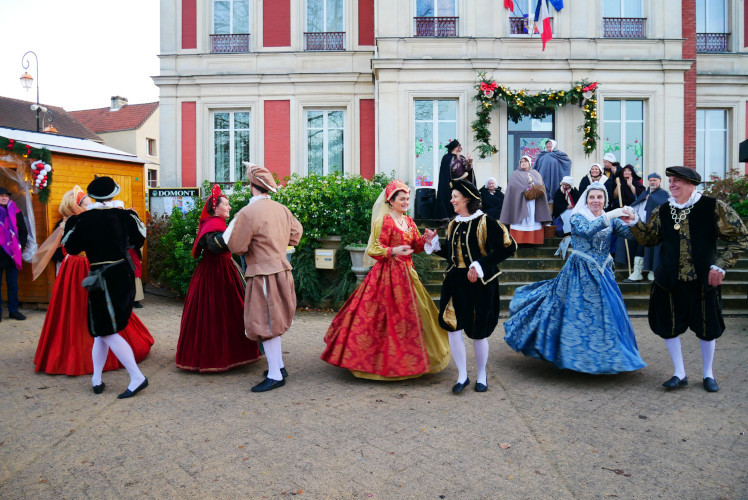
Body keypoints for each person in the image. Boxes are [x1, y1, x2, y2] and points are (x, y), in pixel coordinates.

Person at [504, 183, 647, 374]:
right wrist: (611, 214)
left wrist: (633, 219)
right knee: (576, 311)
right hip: (580, 271)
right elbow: (587, 230)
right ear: (586, 200)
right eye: (592, 197)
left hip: (604, 272)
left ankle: (606, 356)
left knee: (609, 313)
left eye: (600, 197)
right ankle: (576, 356)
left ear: (604, 199)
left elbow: (631, 235)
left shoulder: (611, 220)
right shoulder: (578, 216)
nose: (596, 200)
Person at [629, 166, 748, 393]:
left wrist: (720, 266)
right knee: (669, 325)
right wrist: (634, 222)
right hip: (669, 280)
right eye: (671, 180)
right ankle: (679, 373)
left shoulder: (712, 207)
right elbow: (650, 239)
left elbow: (741, 237)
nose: (672, 184)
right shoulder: (664, 210)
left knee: (707, 326)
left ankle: (708, 374)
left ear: (692, 184)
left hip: (703, 280)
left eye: (677, 181)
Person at [321, 180, 450, 380]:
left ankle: (411, 360)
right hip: (386, 275)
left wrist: (426, 240)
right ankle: (376, 362)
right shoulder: (384, 221)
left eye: (408, 199)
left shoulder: (409, 221)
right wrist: (392, 250)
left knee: (414, 315)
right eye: (402, 199)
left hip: (407, 275)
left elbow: (414, 246)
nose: (406, 202)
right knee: (380, 317)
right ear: (391, 200)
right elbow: (373, 248)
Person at [34, 187, 153, 375]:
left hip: (90, 265)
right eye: (87, 204)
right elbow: (70, 247)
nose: (91, 207)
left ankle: (102, 373)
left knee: (101, 313)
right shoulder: (75, 222)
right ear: (76, 206)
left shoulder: (90, 220)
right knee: (81, 310)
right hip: (79, 268)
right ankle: (85, 357)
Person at [62, 177, 149, 398]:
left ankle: (137, 377)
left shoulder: (83, 220)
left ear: (91, 196)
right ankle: (97, 378)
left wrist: (72, 225)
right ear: (114, 193)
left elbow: (71, 248)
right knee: (101, 331)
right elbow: (138, 240)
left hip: (102, 277)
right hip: (122, 274)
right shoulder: (125, 216)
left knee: (106, 330)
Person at [427, 179, 517, 394]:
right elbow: (452, 254)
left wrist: (480, 264)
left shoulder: (487, 222)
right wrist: (434, 243)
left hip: (480, 284)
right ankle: (462, 375)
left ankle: (482, 375)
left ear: (467, 198)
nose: (451, 200)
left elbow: (509, 246)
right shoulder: (454, 223)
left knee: (478, 332)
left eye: (455, 197)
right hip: (455, 282)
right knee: (453, 327)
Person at [225, 163, 303, 393]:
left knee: (265, 322)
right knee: (273, 321)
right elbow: (296, 234)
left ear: (252, 186)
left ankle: (275, 375)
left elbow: (237, 246)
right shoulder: (281, 209)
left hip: (263, 274)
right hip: (282, 270)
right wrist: (278, 246)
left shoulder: (249, 213)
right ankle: (278, 366)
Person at [176, 185, 261, 372]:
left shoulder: (217, 224)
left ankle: (234, 352)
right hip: (214, 274)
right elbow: (215, 247)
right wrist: (234, 226)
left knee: (229, 311)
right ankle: (220, 356)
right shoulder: (213, 225)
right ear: (216, 208)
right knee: (217, 313)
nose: (229, 207)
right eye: (226, 204)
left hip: (224, 269)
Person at [623, 173, 669, 282]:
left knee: (653, 249)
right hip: (641, 225)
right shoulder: (645, 193)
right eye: (651, 180)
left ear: (660, 181)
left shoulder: (663, 194)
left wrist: (651, 199)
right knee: (639, 247)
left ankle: (653, 272)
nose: (652, 182)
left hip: (655, 227)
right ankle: (637, 272)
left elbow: (664, 206)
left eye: (655, 180)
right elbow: (637, 205)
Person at [500, 155, 552, 245]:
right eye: (522, 162)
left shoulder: (536, 173)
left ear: (529, 163)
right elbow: (513, 187)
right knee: (521, 221)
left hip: (534, 202)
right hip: (519, 202)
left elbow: (540, 184)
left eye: (525, 161)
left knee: (533, 219)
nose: (523, 163)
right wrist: (525, 189)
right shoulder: (515, 174)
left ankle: (533, 241)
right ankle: (519, 241)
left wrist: (535, 189)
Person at [0, 186, 28, 321]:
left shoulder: (16, 212)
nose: (4, 197)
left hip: (12, 254)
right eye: (1, 196)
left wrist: (19, 247)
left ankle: (13, 310)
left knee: (12, 284)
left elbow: (23, 231)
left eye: (6, 195)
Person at [613, 165, 646, 269]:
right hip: (622, 211)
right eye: (625, 171)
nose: (626, 172)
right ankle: (621, 259)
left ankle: (631, 260)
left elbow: (640, 196)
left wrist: (630, 185)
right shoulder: (619, 182)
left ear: (632, 172)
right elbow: (614, 196)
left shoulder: (637, 182)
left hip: (634, 212)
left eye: (628, 171)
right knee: (620, 235)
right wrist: (618, 186)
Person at [435, 139, 475, 220]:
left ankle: (463, 215)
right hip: (451, 183)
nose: (460, 147)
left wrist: (468, 162)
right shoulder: (446, 158)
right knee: (451, 200)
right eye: (458, 146)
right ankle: (449, 218)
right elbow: (447, 172)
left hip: (462, 183)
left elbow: (468, 169)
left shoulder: (462, 157)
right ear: (454, 147)